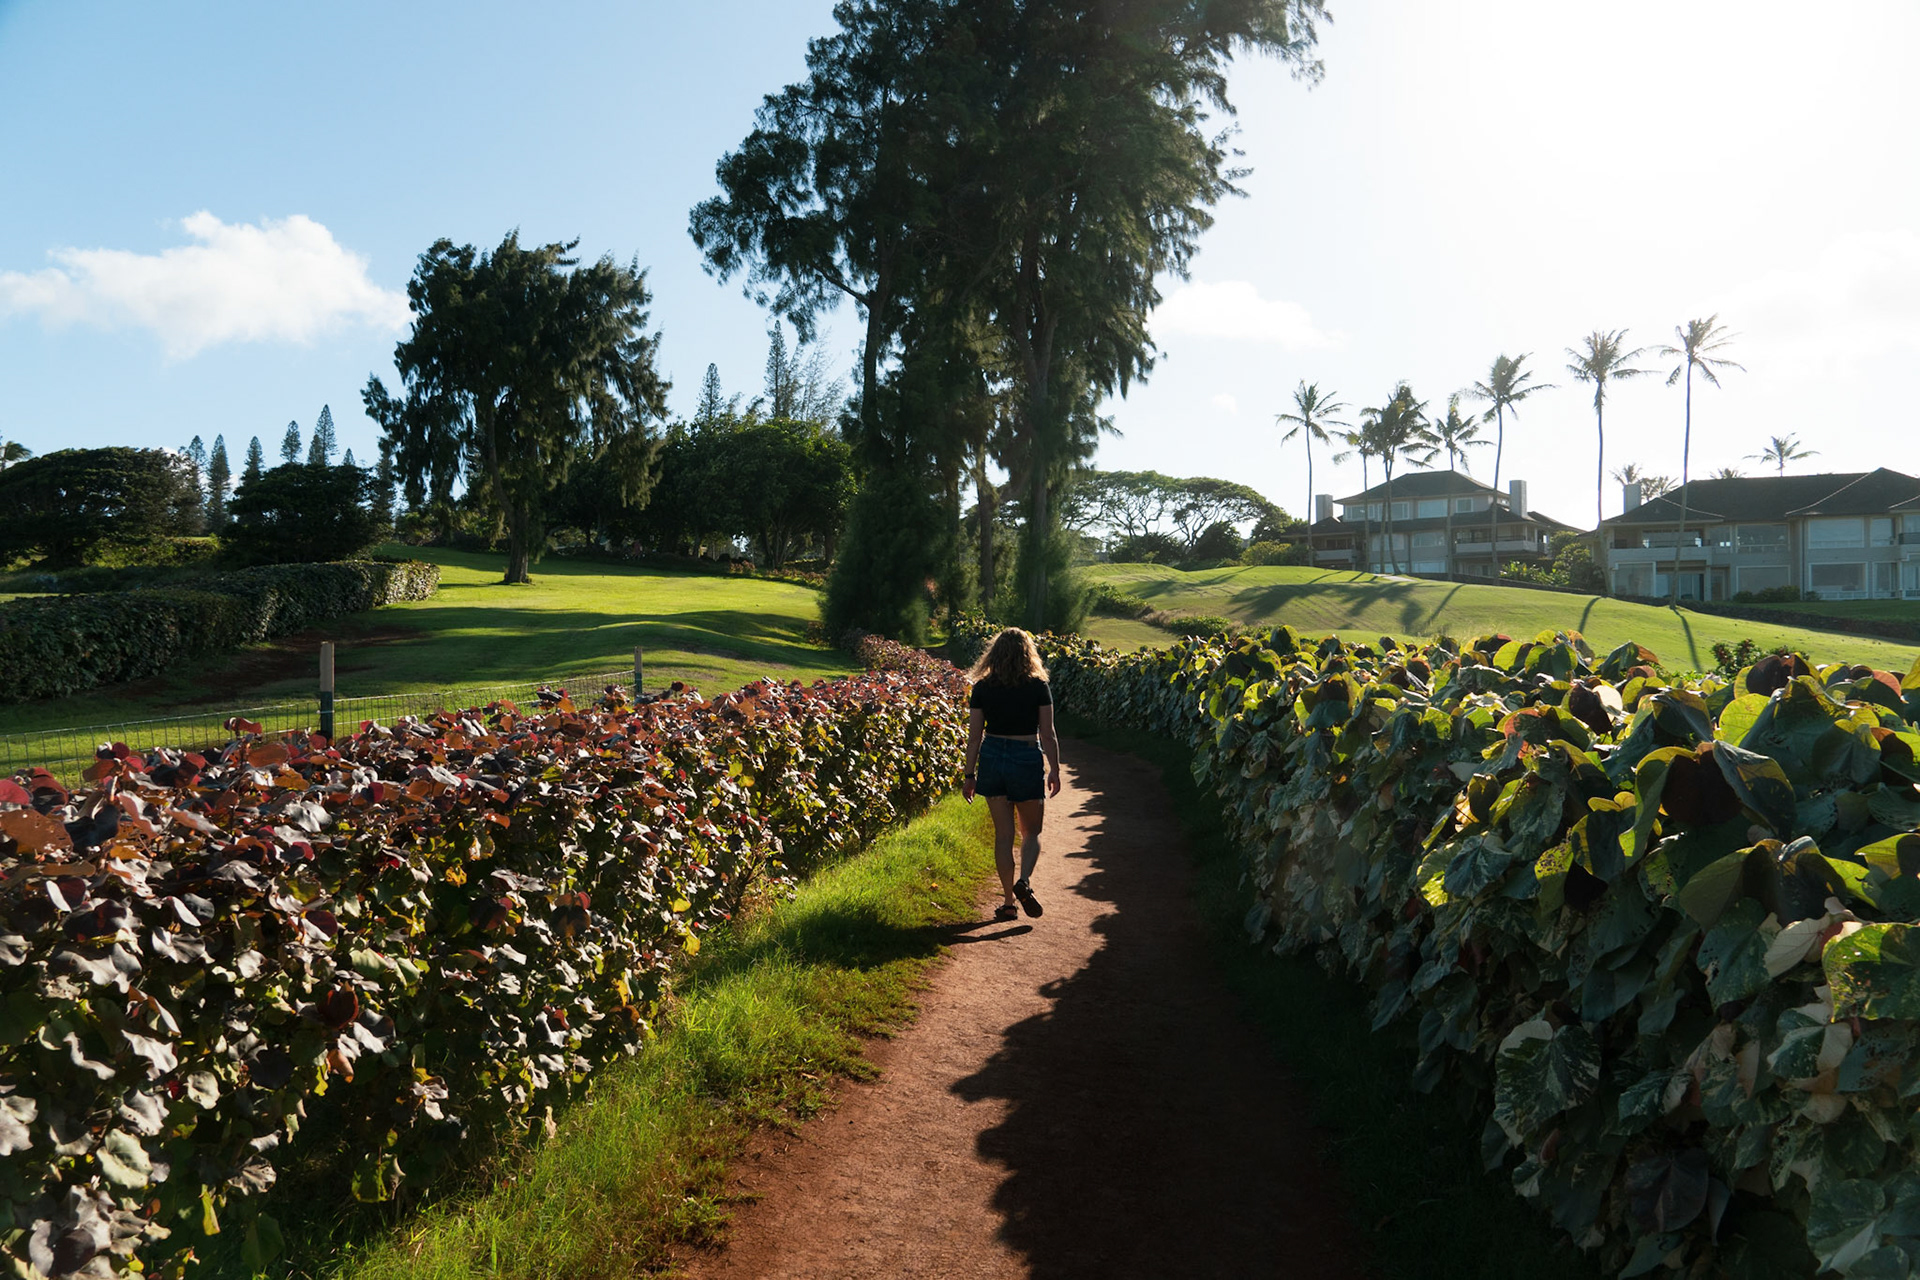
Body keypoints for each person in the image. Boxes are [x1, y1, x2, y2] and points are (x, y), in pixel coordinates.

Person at [961, 627, 1062, 921]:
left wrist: (969, 775)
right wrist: (1054, 769)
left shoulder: (982, 687)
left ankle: (1008, 903)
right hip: (1025, 755)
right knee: (1031, 832)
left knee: (1003, 836)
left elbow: (974, 737)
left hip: (992, 756)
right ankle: (1025, 882)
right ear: (1027, 654)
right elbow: (1049, 733)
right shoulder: (1038, 685)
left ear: (994, 653)